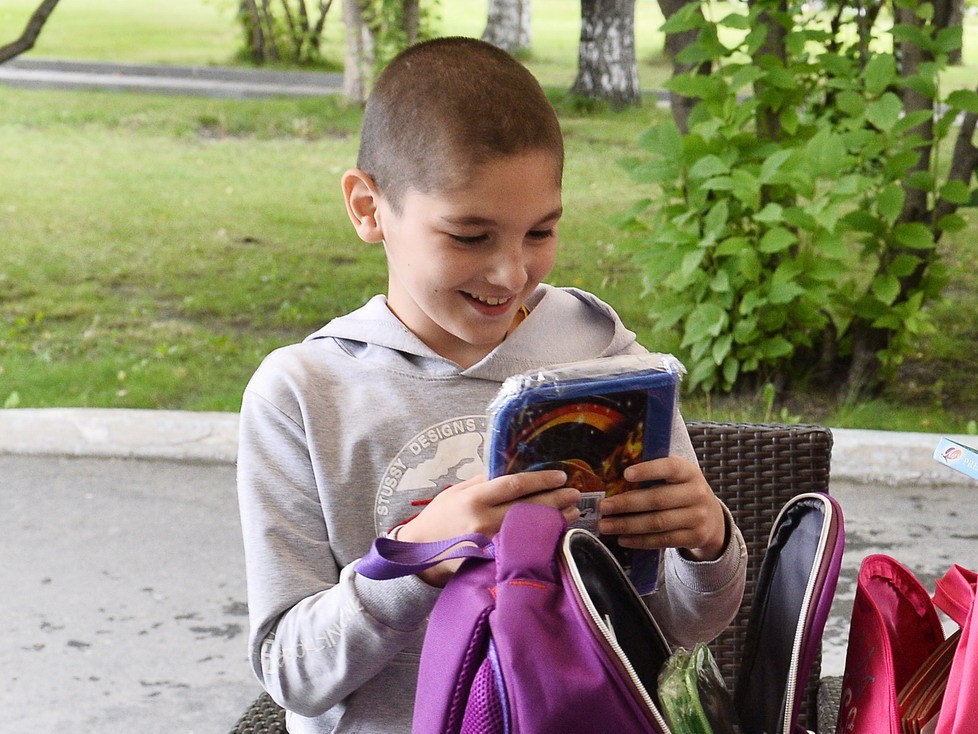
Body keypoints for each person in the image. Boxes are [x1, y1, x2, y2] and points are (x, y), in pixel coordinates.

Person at [236, 36, 748, 734]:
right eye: (470, 236)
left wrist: (705, 545)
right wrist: (419, 557)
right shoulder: (304, 395)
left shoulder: (604, 358)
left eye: (540, 232)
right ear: (367, 208)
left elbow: (677, 630)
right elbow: (291, 672)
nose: (511, 274)